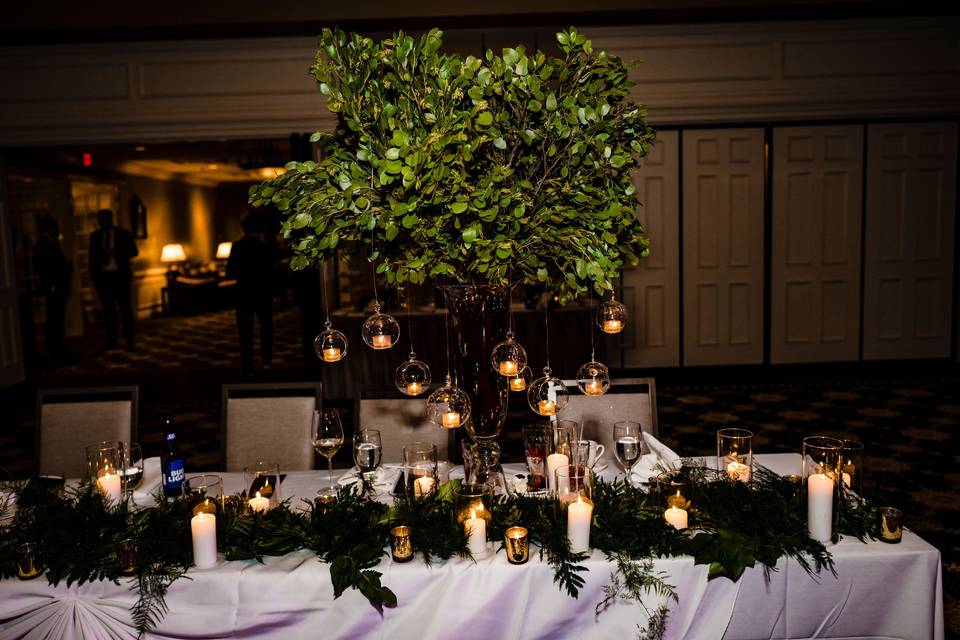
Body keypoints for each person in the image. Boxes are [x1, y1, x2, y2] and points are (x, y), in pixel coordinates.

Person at [226, 213, 274, 373]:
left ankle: (247, 362)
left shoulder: (237, 246)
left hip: (243, 292)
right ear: (260, 229)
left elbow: (230, 271)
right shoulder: (266, 247)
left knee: (245, 329)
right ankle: (266, 360)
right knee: (266, 327)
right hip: (263, 292)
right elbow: (271, 272)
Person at [89, 209, 139, 351]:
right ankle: (111, 341)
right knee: (108, 311)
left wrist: (116, 253)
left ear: (111, 219)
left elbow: (134, 252)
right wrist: (94, 278)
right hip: (104, 279)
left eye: (104, 219)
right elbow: (92, 258)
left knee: (125, 310)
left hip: (120, 277)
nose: (101, 222)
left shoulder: (123, 234)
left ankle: (130, 340)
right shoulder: (95, 236)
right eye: (100, 220)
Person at [33, 217, 70, 364]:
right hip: (55, 287)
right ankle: (55, 350)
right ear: (48, 228)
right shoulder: (43, 244)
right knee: (54, 319)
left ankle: (57, 348)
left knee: (56, 318)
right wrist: (52, 285)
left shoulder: (48, 243)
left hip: (57, 286)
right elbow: (46, 267)